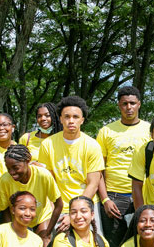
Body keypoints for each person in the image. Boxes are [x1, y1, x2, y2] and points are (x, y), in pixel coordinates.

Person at [96, 86, 152, 247]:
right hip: (114, 197)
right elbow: (98, 170)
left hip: (142, 195)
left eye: (133, 103)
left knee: (142, 244)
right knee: (113, 246)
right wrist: (105, 199)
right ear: (119, 106)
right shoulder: (106, 131)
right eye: (125, 104)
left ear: (139, 104)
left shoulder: (149, 130)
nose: (129, 107)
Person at [38, 96, 105, 232]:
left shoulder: (92, 145)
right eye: (67, 117)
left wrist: (75, 213)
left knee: (92, 246)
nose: (71, 121)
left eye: (75, 117)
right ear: (61, 119)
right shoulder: (47, 145)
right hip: (58, 206)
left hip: (86, 205)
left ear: (82, 120)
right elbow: (48, 182)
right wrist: (54, 209)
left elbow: (93, 184)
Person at [0, 144, 59, 247]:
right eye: (8, 168)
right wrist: (11, 232)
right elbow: (5, 209)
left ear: (27, 161)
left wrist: (48, 233)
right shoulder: (4, 181)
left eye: (16, 167)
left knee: (44, 244)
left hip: (41, 217)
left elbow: (59, 204)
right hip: (18, 219)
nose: (12, 172)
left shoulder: (43, 175)